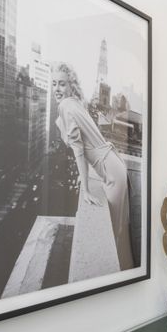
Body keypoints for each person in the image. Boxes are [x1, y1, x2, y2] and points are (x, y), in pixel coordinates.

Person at [51, 62, 134, 270]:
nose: (57, 89)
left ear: (70, 85)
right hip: (112, 165)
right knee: (119, 233)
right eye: (54, 84)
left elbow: (79, 151)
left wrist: (86, 189)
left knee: (116, 237)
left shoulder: (66, 107)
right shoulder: (76, 103)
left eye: (61, 84)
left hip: (111, 170)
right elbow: (85, 147)